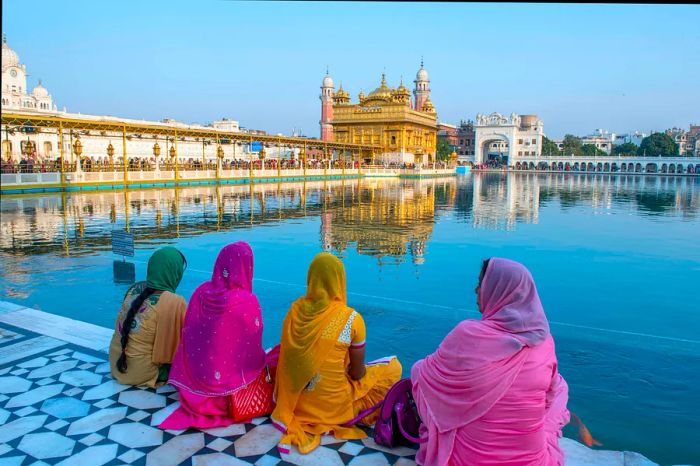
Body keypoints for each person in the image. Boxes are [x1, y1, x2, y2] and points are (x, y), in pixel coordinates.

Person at [411, 258, 571, 466]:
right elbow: (547, 402)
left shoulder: (468, 335)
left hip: (468, 460)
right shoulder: (545, 342)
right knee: (559, 386)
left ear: (499, 291)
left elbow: (427, 378)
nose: (476, 290)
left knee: (419, 372)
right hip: (530, 461)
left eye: (482, 284)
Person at [272, 252, 402, 455]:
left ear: (311, 279)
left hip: (294, 406)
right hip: (333, 410)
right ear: (340, 281)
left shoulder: (294, 312)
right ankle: (349, 412)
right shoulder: (351, 318)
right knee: (393, 366)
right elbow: (357, 374)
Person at [160, 241, 278, 429]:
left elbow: (189, 336)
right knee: (276, 357)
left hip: (194, 388)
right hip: (230, 396)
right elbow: (252, 355)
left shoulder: (200, 292)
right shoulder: (246, 301)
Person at [109, 246, 187, 387]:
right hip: (141, 373)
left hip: (116, 363)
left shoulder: (135, 289)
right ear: (175, 273)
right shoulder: (174, 302)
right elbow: (178, 347)